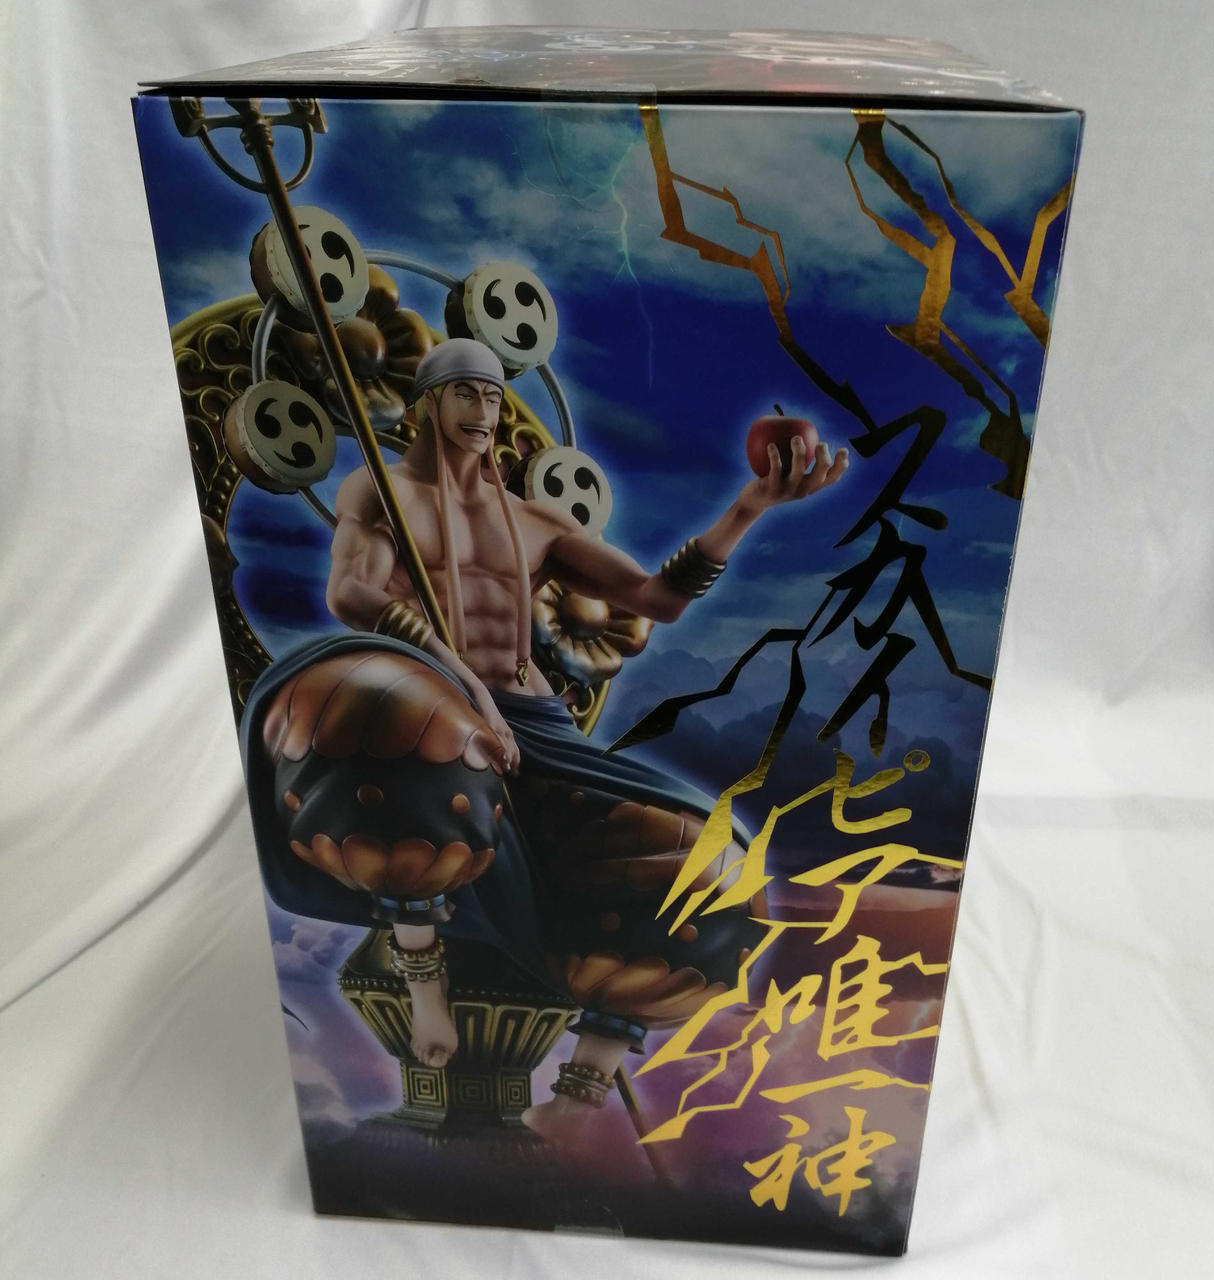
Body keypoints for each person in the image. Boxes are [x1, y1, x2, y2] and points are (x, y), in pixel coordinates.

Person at [247, 338, 848, 1136]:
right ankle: (425, 985)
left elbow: (655, 598)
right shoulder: (383, 492)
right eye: (465, 393)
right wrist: (464, 686)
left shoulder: (535, 521)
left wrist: (749, 509)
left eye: (494, 397)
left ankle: (578, 1094)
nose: (483, 411)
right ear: (427, 403)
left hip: (536, 726)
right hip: (433, 712)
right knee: (406, 724)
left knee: (711, 868)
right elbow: (350, 592)